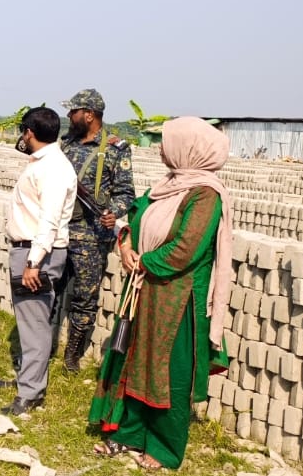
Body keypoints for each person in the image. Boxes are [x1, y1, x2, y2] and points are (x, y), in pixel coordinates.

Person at [89, 116, 233, 471]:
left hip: (178, 298)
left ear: (188, 149)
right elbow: (133, 218)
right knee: (135, 360)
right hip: (145, 289)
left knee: (170, 370)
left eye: (166, 142)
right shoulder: (166, 185)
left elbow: (187, 249)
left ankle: (165, 446)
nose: (159, 148)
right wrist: (125, 246)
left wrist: (144, 262)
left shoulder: (205, 195)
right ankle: (128, 433)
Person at [0, 107, 76, 416]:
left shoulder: (54, 168)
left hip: (37, 253)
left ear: (29, 132)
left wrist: (33, 262)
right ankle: (27, 380)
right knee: (31, 320)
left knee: (35, 322)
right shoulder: (44, 163)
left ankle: (30, 393)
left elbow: (50, 220)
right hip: (31, 250)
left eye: (23, 132)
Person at [55, 88, 135, 372]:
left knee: (85, 297)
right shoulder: (65, 144)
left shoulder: (115, 149)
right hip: (60, 231)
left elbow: (126, 193)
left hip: (91, 236)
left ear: (88, 115)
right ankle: (43, 348)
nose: (69, 115)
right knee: (49, 289)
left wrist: (114, 213)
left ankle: (72, 356)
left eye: (74, 111)